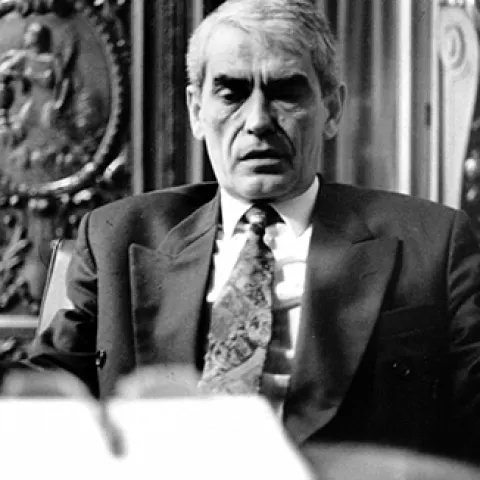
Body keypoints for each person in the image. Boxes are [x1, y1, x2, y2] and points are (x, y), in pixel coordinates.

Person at [25, 0, 480, 468]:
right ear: (196, 110)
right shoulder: (115, 238)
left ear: (332, 109)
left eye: (286, 93)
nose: (259, 121)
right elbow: (38, 410)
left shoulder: (434, 243)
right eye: (231, 94)